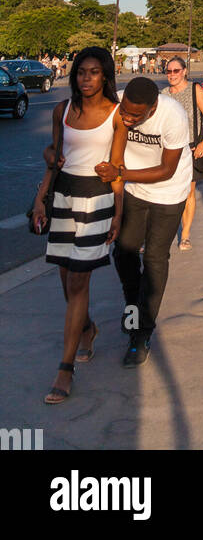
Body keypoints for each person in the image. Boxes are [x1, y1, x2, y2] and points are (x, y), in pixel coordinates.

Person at [32, 48, 127, 403]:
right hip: (64, 197)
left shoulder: (116, 116)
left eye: (94, 72)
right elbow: (55, 157)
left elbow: (117, 169)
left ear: (105, 76)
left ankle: (65, 368)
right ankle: (86, 328)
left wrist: (119, 213)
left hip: (97, 200)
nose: (87, 78)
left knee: (77, 279)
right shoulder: (63, 110)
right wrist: (41, 198)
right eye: (82, 72)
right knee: (64, 278)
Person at [96, 76, 194, 367]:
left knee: (154, 258)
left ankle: (143, 333)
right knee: (124, 252)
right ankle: (134, 306)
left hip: (169, 190)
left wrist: (119, 174)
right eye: (124, 110)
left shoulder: (172, 116)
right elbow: (111, 138)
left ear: (152, 110)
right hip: (136, 188)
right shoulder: (122, 104)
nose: (126, 117)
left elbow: (166, 169)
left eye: (134, 115)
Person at [164, 56, 203, 250]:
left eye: (175, 71)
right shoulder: (163, 94)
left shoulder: (195, 90)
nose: (171, 75)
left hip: (191, 149)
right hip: (168, 152)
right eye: (168, 71)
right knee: (166, 193)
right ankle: (163, 233)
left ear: (185, 71)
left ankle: (185, 235)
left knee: (188, 193)